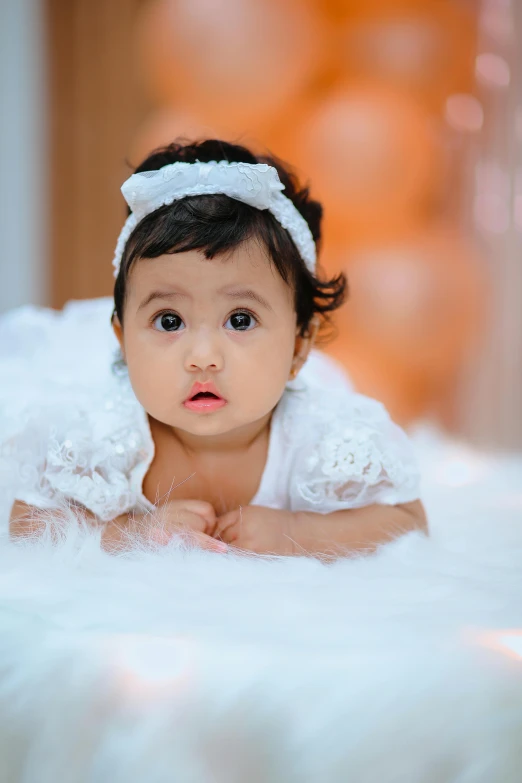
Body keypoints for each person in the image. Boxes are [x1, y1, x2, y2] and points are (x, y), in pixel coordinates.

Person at [6, 139, 426, 556]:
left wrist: (301, 533)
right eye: (169, 321)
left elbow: (409, 520)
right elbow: (26, 521)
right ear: (123, 343)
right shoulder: (103, 435)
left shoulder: (319, 437)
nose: (202, 355)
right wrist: (136, 531)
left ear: (299, 347)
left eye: (240, 320)